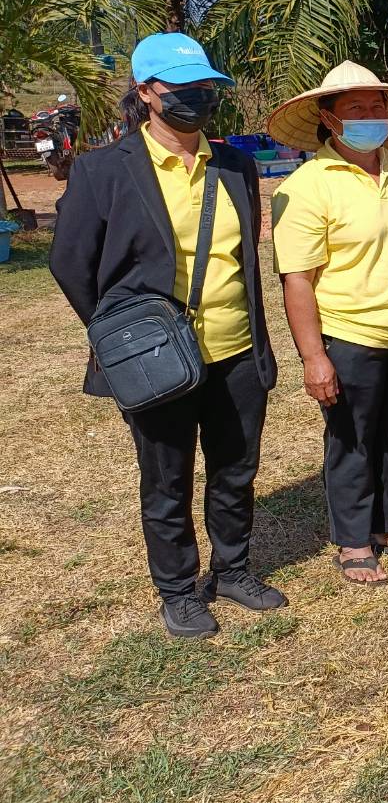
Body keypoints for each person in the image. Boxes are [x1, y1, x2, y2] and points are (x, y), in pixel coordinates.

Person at [50, 33, 282, 639]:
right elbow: (70, 262)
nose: (197, 98)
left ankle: (233, 569)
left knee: (235, 468)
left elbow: (246, 254)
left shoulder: (235, 165)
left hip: (233, 349)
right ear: (148, 92)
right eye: (182, 89)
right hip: (153, 359)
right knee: (167, 477)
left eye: (205, 88)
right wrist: (117, 331)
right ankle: (178, 590)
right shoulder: (104, 170)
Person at [268, 62, 388, 587]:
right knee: (351, 439)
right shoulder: (307, 186)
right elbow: (297, 279)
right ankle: (351, 538)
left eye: (377, 107)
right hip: (348, 335)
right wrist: (314, 356)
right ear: (329, 117)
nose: (370, 117)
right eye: (355, 108)